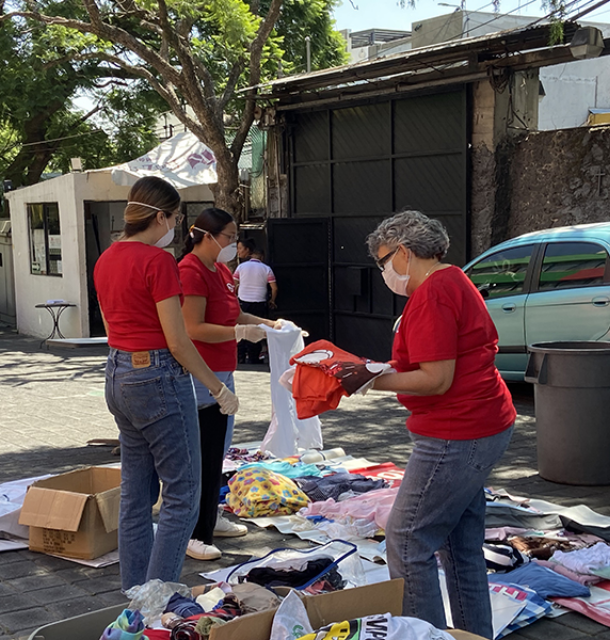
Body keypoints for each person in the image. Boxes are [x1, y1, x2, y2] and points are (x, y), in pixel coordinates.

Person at [366, 210, 516, 639]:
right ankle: (472, 634)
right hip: (480, 423)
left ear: (405, 252)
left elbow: (436, 378)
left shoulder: (434, 291)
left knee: (407, 540)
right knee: (459, 545)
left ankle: (427, 634)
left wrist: (366, 381)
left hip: (457, 431)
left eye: (384, 261)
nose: (384, 272)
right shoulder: (452, 280)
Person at [93, 176, 239, 592]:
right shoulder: (157, 262)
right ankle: (158, 600)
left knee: (136, 495)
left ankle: (135, 597)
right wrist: (217, 388)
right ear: (160, 216)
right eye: (175, 217)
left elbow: (111, 329)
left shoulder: (106, 259)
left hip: (119, 373)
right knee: (183, 495)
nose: (175, 227)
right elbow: (179, 341)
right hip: (157, 378)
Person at [178, 208, 280, 560]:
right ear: (206, 236)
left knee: (218, 449)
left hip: (224, 370)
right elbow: (192, 328)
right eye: (228, 237)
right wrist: (239, 333)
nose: (233, 244)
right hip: (201, 374)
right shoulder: (189, 271)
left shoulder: (221, 270)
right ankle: (193, 531)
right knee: (200, 455)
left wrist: (268, 325)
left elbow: (234, 313)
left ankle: (210, 515)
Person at [234, 247, 278, 364]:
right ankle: (254, 357)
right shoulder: (266, 268)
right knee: (257, 328)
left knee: (241, 327)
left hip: (243, 301)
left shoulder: (241, 267)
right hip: (259, 301)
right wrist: (272, 300)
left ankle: (240, 356)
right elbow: (274, 287)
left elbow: (234, 283)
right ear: (262, 257)